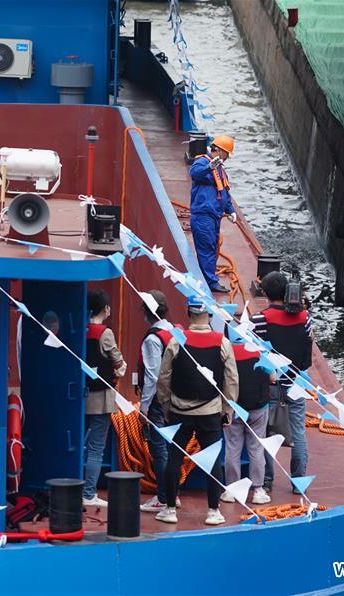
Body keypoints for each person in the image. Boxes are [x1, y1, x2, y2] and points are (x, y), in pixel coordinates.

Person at [155, 296, 238, 525]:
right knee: (213, 460)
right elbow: (231, 378)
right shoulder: (222, 342)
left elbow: (164, 377)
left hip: (178, 410)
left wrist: (165, 404)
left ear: (188, 313)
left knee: (174, 459)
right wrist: (228, 408)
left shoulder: (175, 340)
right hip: (210, 412)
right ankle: (213, 511)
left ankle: (170, 509)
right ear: (209, 314)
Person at [251, 271, 313, 493]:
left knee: (267, 433)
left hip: (269, 384)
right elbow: (308, 342)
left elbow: (252, 350)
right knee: (298, 433)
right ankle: (298, 482)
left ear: (265, 293)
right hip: (296, 382)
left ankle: (267, 481)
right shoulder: (305, 317)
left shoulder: (259, 319)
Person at [134, 290, 180, 513]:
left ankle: (163, 497)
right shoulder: (173, 332)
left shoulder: (153, 339)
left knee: (159, 449)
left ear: (145, 311)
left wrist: (143, 406)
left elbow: (152, 376)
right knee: (172, 448)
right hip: (174, 398)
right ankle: (173, 493)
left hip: (157, 402)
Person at [83, 289, 126, 508]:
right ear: (106, 309)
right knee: (96, 449)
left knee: (79, 445)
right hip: (101, 399)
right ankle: (88, 493)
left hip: (79, 398)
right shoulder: (105, 333)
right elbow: (119, 365)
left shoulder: (80, 330)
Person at [220, 338, 274, 506]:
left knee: (232, 448)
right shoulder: (260, 351)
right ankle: (258, 490)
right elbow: (273, 378)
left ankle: (231, 490)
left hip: (234, 408)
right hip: (258, 408)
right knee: (256, 448)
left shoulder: (225, 352)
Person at [189, 135, 237, 293]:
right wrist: (209, 167)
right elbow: (195, 173)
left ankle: (209, 279)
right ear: (221, 151)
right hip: (203, 216)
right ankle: (210, 282)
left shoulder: (221, 170)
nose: (228, 157)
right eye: (227, 154)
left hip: (213, 217)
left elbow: (224, 192)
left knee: (212, 247)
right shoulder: (203, 161)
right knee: (207, 249)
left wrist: (231, 210)